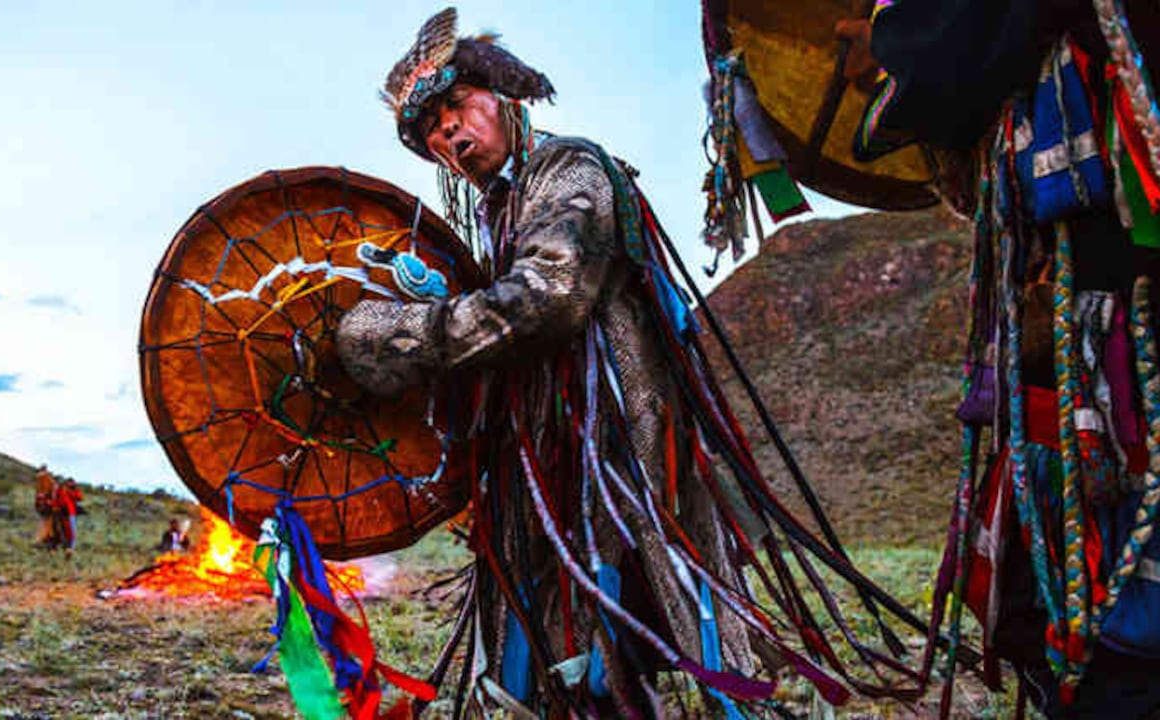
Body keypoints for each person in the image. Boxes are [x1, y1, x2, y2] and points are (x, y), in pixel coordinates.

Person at [336, 8, 916, 716]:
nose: (447, 133)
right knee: (556, 602)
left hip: (621, 444)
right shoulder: (503, 206)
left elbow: (546, 296)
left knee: (663, 572)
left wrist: (401, 334)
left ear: (505, 96)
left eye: (457, 106)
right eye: (429, 132)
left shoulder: (568, 168)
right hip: (554, 454)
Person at [832, 2, 1160, 717]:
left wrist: (887, 41)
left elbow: (956, 52)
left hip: (1118, 326)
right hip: (1090, 335)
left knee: (1117, 636)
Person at [50, 477, 83, 558]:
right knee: (64, 531)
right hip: (63, 513)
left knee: (67, 532)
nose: (70, 484)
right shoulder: (60, 490)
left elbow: (79, 497)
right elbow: (56, 500)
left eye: (72, 483)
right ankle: (67, 549)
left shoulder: (70, 490)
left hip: (68, 513)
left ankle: (67, 549)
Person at [33, 464, 56, 548]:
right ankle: (45, 541)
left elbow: (39, 494)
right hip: (48, 505)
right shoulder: (49, 479)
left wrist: (37, 505)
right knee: (48, 523)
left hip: (43, 505)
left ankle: (41, 540)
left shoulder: (42, 479)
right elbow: (51, 494)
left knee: (44, 523)